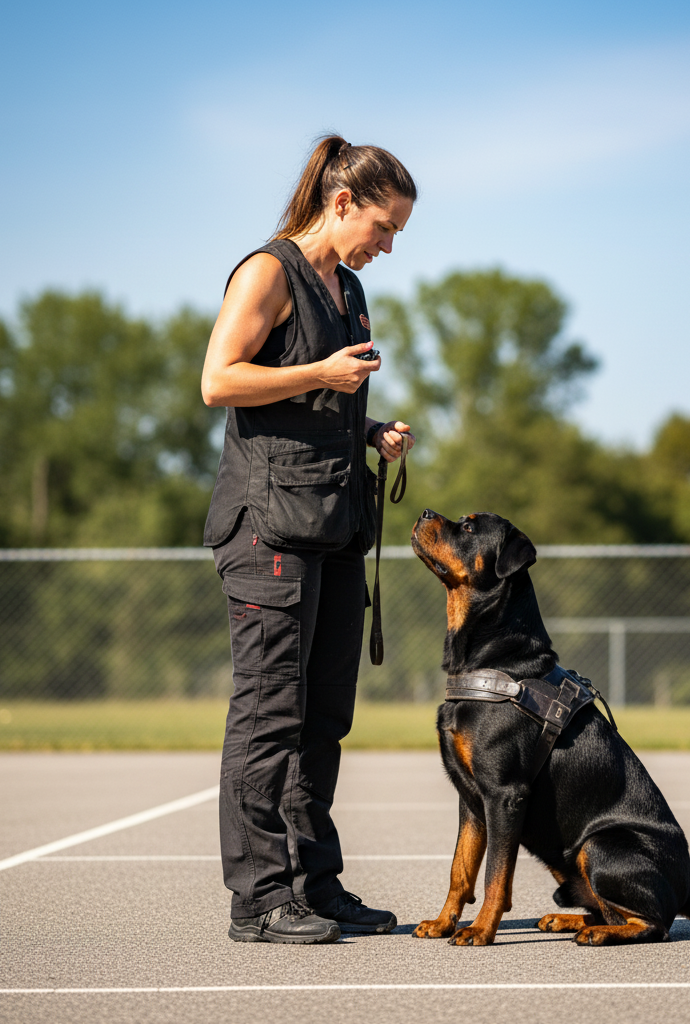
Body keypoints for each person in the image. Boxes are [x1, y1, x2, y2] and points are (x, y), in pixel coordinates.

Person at [200, 135, 417, 944]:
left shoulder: (348, 289)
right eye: (384, 227)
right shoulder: (267, 272)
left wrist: (370, 431)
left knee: (323, 719)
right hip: (267, 532)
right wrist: (321, 374)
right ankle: (259, 900)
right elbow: (220, 380)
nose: (388, 246)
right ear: (342, 202)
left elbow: (312, 407)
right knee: (269, 717)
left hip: (333, 527)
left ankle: (313, 886)